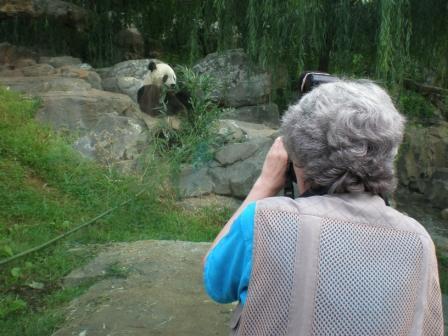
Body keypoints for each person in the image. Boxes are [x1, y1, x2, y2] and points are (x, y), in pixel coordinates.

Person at [203, 80, 444, 335]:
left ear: (297, 154)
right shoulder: (418, 241)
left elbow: (215, 283)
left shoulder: (265, 220)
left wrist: (265, 184)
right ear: (388, 152)